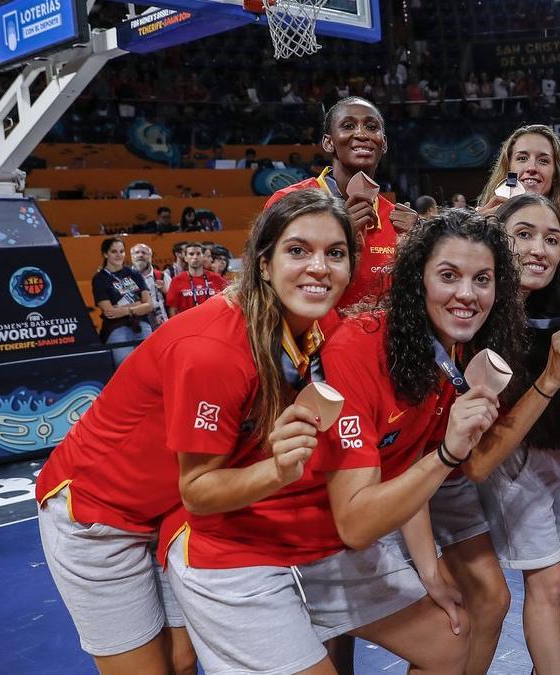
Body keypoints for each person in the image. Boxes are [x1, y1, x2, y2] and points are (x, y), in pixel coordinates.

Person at [164, 203, 515, 675]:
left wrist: (430, 569)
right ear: (417, 281)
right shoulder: (354, 347)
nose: (467, 294)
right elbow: (356, 521)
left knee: (449, 641)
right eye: (448, 276)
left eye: (483, 280)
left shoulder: (447, 352)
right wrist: (449, 452)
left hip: (317, 538)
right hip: (243, 546)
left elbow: (402, 466)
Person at [34, 190, 350, 675]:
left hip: (172, 510)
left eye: (335, 252)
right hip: (100, 514)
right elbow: (200, 490)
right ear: (262, 264)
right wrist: (282, 469)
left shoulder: (315, 322)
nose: (319, 267)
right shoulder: (213, 350)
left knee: (183, 661)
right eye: (298, 250)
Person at [464, 193, 560, 674]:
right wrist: (556, 377)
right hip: (496, 458)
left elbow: (547, 397)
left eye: (552, 239)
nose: (541, 249)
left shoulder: (554, 309)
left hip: (547, 448)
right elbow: (481, 451)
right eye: (524, 235)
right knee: (547, 579)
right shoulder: (473, 311)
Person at [266, 96, 419, 308]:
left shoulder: (398, 221)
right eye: (348, 126)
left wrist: (424, 245)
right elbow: (270, 283)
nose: (361, 134)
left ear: (383, 144)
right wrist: (339, 235)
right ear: (328, 142)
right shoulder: (290, 201)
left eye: (371, 127)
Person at [475, 124, 560, 221]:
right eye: (522, 158)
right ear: (508, 170)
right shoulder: (479, 222)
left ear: (555, 176)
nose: (532, 168)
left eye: (543, 161)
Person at [93, 237, 155, 366]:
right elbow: (110, 311)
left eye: (121, 251)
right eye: (114, 251)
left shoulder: (134, 274)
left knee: (150, 366)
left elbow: (149, 305)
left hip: (142, 324)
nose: (119, 255)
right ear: (105, 254)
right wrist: (137, 305)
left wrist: (126, 310)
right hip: (116, 328)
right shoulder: (100, 279)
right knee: (125, 368)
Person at [165, 242, 228, 317]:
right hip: (188, 324)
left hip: (212, 322)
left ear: (203, 257)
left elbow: (228, 300)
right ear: (185, 258)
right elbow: (173, 309)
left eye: (198, 254)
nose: (195, 257)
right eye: (191, 254)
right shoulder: (177, 280)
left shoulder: (216, 278)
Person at [130, 243, 168, 328]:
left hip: (161, 323)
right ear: (132, 256)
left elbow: (173, 300)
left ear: (150, 256)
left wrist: (165, 291)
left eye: (144, 252)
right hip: (138, 324)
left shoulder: (162, 276)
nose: (140, 255)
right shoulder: (126, 278)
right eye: (137, 253)